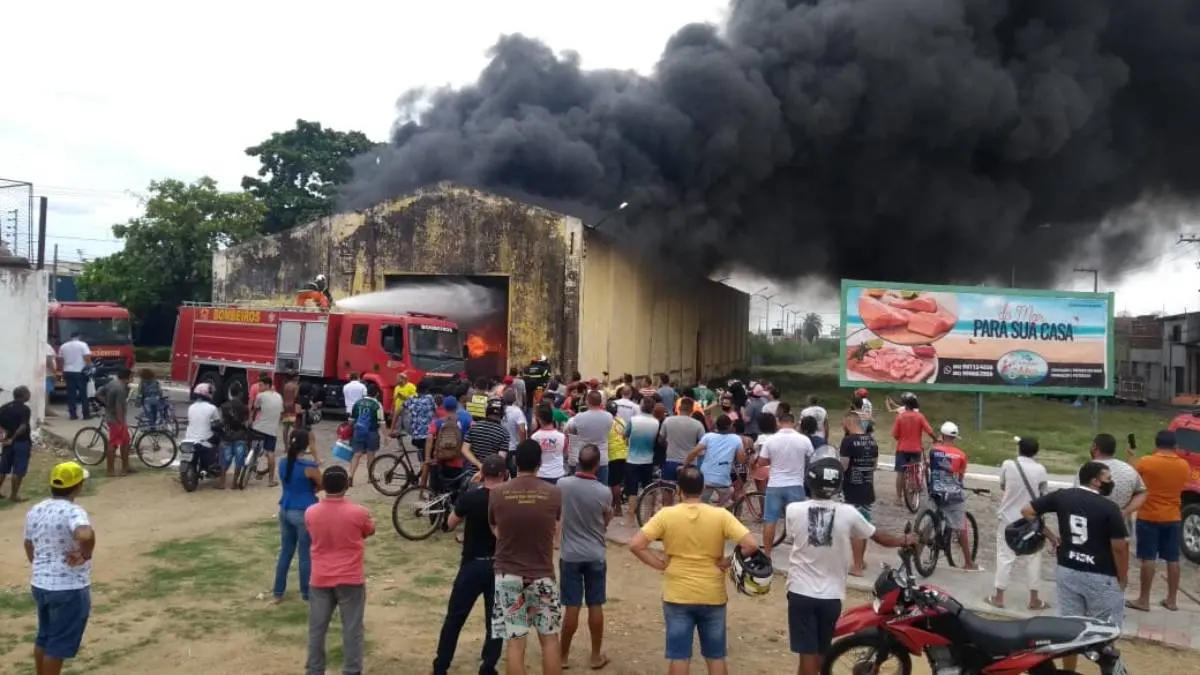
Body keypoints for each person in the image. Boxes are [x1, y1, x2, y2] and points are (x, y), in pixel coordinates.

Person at [785, 457, 916, 675]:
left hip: (800, 591)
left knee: (806, 653)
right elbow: (880, 537)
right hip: (831, 595)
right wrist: (905, 539)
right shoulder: (849, 513)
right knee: (821, 649)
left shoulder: (793, 510)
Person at [630, 466, 758, 675]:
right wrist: (727, 562)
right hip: (712, 594)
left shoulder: (666, 515)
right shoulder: (720, 515)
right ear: (703, 488)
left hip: (677, 594)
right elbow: (751, 545)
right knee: (715, 656)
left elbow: (636, 545)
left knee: (679, 656)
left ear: (679, 490)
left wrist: (660, 564)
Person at [1022, 461, 1129, 674]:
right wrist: (1123, 577)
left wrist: (1051, 536)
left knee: (1069, 631)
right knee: (1106, 633)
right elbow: (1120, 547)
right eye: (1107, 478)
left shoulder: (1062, 496)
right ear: (1095, 481)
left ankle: (1069, 671)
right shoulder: (1109, 508)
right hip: (1101, 575)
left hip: (1068, 570)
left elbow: (1027, 511)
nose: (1111, 482)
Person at [488, 440, 564, 675]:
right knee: (550, 640)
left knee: (515, 641)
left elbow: (494, 527)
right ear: (540, 462)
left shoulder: (497, 493)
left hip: (508, 574)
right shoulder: (554, 493)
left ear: (515, 461)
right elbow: (555, 528)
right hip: (542, 574)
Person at [432, 454, 507, 675]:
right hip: (499, 565)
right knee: (495, 620)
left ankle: (441, 666)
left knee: (455, 618)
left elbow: (450, 523)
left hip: (472, 564)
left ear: (482, 474)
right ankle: (488, 666)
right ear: (504, 474)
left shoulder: (471, 497)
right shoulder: (509, 500)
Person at [24, 461, 96, 675]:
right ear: (78, 487)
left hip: (41, 584)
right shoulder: (74, 512)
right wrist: (85, 553)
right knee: (58, 645)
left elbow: (28, 543)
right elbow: (85, 535)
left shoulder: (36, 509)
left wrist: (40, 566)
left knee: (44, 637)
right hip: (68, 587)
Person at [305, 465, 375, 675]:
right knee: (352, 629)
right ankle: (352, 670)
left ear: (324, 486)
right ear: (346, 485)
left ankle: (314, 670)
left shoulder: (311, 512)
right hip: (350, 578)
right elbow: (369, 530)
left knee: (317, 629)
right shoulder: (358, 512)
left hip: (320, 577)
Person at [557, 445, 613, 670]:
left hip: (570, 554)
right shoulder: (604, 491)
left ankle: (562, 656)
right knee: (595, 604)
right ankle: (595, 656)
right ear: (597, 465)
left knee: (572, 606)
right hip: (595, 553)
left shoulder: (563, 485)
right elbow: (605, 521)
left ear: (578, 461)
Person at [1128, 430, 1190, 612]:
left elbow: (1132, 475)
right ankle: (1172, 600)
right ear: (1175, 446)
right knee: (1173, 559)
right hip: (1173, 517)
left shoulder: (1147, 462)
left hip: (1149, 516)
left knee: (1148, 558)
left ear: (1156, 444)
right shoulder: (1184, 465)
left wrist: (1131, 455)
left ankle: (1144, 599)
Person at [988, 436, 1048, 610]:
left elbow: (1002, 485)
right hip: (1031, 520)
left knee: (1004, 557)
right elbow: (1043, 493)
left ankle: (999, 597)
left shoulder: (1008, 465)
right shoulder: (1041, 470)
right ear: (1036, 452)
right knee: (1033, 558)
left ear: (1019, 449)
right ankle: (1034, 599)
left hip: (1008, 518)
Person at [273, 431, 322, 604]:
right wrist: (315, 453)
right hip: (303, 511)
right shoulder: (308, 466)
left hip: (285, 508)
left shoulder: (283, 462)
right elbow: (322, 483)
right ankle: (306, 592)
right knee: (305, 554)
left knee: (286, 551)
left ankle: (278, 591)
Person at [926, 422, 980, 570]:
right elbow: (960, 477)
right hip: (953, 494)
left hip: (935, 491)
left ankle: (916, 553)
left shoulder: (933, 450)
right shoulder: (961, 455)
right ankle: (968, 562)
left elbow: (929, 466)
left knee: (929, 523)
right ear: (955, 437)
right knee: (960, 526)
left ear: (942, 435)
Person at [758, 411, 812, 556]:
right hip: (796, 484)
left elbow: (762, 462)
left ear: (778, 422)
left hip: (775, 485)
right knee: (799, 522)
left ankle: (767, 554)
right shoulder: (804, 440)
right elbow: (811, 458)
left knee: (770, 520)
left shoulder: (770, 440)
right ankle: (800, 554)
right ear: (794, 423)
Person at [837, 412, 878, 576]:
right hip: (867, 487)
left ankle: (857, 567)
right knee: (864, 525)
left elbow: (844, 466)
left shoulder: (848, 441)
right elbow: (874, 465)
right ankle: (860, 559)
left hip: (852, 489)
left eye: (843, 423)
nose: (842, 426)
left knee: (854, 529)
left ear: (849, 422)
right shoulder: (871, 440)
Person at [1085, 433, 1147, 530]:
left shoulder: (1085, 471)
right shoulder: (1129, 470)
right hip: (1121, 527)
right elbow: (1142, 493)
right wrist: (1126, 511)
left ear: (1094, 446)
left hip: (1092, 527)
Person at [684, 415, 746, 507]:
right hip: (723, 479)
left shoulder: (708, 437)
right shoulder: (736, 439)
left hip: (705, 477)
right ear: (730, 426)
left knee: (701, 503)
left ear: (716, 426)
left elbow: (693, 453)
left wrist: (685, 466)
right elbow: (741, 460)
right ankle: (719, 509)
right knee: (729, 493)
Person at [890, 394, 935, 504]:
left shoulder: (900, 417)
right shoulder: (920, 416)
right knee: (914, 473)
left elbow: (895, 434)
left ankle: (898, 498)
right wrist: (935, 439)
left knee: (900, 473)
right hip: (915, 449)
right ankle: (911, 498)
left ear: (905, 405)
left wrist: (902, 439)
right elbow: (929, 431)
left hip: (902, 448)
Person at [622, 398, 660, 525]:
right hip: (648, 460)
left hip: (632, 460)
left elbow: (624, 435)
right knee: (647, 488)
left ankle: (630, 519)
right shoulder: (656, 422)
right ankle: (646, 518)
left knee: (632, 490)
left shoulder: (633, 420)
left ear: (641, 406)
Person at [563, 391, 614, 484]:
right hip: (601, 459)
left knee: (581, 487)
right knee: (602, 488)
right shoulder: (609, 416)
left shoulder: (578, 417)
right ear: (600, 402)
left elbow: (572, 434)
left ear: (587, 401)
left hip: (583, 458)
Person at [346, 382, 384, 487]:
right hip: (372, 432)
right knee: (371, 455)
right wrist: (386, 436)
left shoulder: (358, 402)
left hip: (358, 431)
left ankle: (350, 476)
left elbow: (351, 420)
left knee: (357, 454)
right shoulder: (377, 405)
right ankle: (370, 477)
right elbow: (381, 422)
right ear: (377, 393)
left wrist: (348, 430)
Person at [0, 385, 34, 502]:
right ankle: (14, 495)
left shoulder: (4, 407)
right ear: (23, 395)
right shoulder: (25, 409)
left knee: (3, 468)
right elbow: (23, 426)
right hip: (21, 442)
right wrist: (13, 438)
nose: (29, 395)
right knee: (18, 470)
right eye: (28, 393)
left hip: (7, 443)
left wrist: (4, 439)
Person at [252, 373, 286, 488]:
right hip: (272, 430)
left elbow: (255, 409)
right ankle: (271, 481)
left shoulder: (260, 396)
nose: (259, 387)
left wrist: (252, 420)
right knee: (270, 453)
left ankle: (252, 468)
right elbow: (281, 413)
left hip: (258, 428)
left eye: (261, 385)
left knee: (252, 447)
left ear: (267, 385)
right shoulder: (279, 396)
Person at [99, 368, 135, 477]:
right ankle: (110, 470)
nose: (133, 379)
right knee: (114, 444)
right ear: (127, 378)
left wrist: (107, 404)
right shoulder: (120, 389)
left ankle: (126, 467)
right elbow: (119, 408)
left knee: (126, 442)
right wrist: (122, 423)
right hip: (116, 420)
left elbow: (98, 394)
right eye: (132, 377)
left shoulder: (111, 383)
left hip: (112, 417)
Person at [660, 398, 705, 482]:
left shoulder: (668, 421)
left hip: (670, 461)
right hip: (690, 464)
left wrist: (669, 445)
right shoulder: (698, 425)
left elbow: (660, 440)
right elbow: (703, 445)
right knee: (688, 489)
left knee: (668, 488)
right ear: (692, 410)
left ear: (679, 408)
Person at [182, 383, 221, 479]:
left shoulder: (191, 407)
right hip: (205, 438)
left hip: (189, 437)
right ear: (208, 394)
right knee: (218, 439)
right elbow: (217, 423)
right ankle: (214, 463)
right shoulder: (212, 408)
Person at [462, 397, 510, 472]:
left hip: (471, 474)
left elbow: (464, 449)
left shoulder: (474, 427)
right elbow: (500, 459)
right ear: (502, 414)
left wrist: (479, 465)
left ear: (486, 411)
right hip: (490, 475)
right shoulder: (504, 433)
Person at [216, 392, 250, 490]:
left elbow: (221, 421)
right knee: (239, 461)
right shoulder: (245, 408)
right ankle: (234, 483)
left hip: (227, 436)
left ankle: (222, 483)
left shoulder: (224, 406)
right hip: (240, 437)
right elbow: (247, 423)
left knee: (224, 460)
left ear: (230, 393)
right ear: (240, 394)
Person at [58, 332, 92, 421]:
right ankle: (86, 414)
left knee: (71, 394)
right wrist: (89, 367)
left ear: (70, 337)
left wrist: (62, 370)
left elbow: (60, 360)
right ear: (79, 336)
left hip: (68, 371)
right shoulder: (83, 345)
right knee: (83, 394)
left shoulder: (63, 346)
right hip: (80, 372)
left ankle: (72, 414)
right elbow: (87, 357)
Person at [531, 403, 568, 484]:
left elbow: (533, 458)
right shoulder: (562, 437)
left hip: (540, 474)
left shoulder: (535, 437)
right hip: (558, 474)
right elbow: (565, 455)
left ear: (539, 419)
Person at [501, 388, 528, 455]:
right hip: (513, 448)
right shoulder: (517, 411)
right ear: (514, 398)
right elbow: (522, 430)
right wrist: (522, 448)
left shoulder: (500, 409)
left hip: (500, 447)